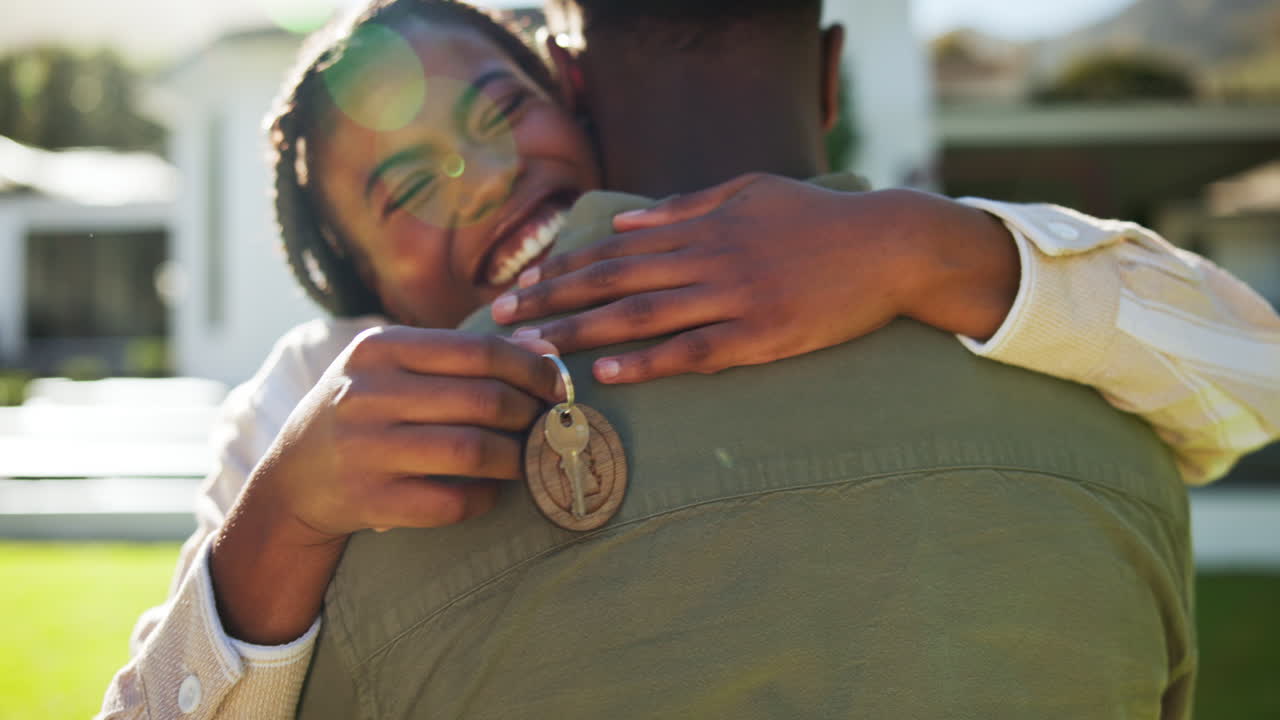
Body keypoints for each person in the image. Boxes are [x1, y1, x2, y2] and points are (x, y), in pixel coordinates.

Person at [98, 0, 1280, 717]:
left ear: (573, 90)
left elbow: (1251, 368)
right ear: (364, 298)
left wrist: (926, 252)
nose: (484, 176)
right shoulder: (314, 389)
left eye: (501, 113)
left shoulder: (844, 253)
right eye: (407, 186)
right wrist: (281, 519)